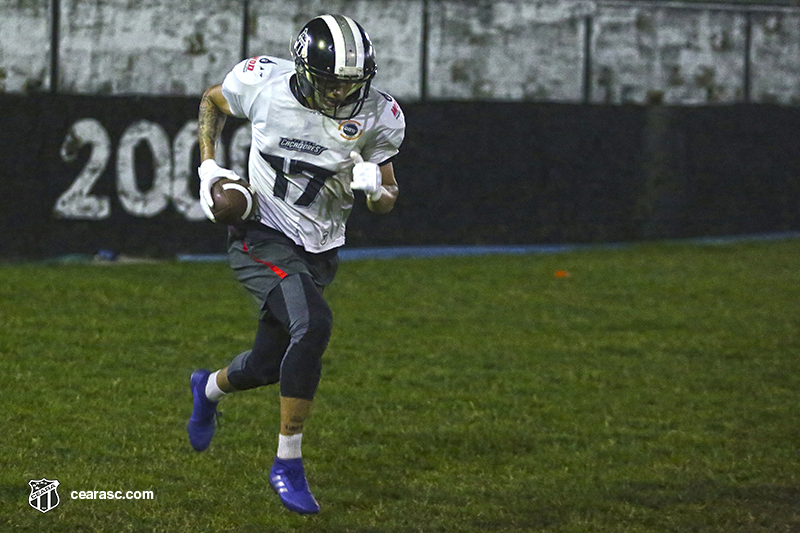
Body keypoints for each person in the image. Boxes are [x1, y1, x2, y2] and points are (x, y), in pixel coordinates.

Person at [186, 14, 405, 515]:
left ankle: (208, 387)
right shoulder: (263, 82)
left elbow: (388, 195)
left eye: (350, 84)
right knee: (314, 325)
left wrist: (376, 191)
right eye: (329, 83)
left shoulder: (381, 114)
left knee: (266, 365)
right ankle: (287, 462)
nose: (338, 95)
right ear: (305, 70)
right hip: (261, 235)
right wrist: (208, 166)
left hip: (321, 247)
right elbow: (212, 101)